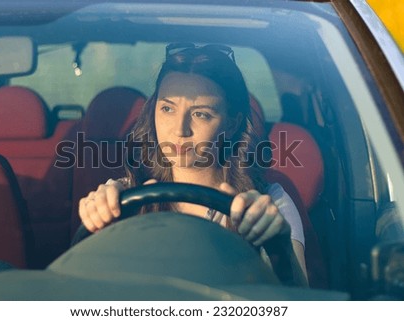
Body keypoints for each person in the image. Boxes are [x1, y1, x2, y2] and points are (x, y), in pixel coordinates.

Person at [78, 43, 308, 286]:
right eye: (167, 108)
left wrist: (278, 245)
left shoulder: (267, 203)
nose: (179, 130)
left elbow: (300, 302)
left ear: (231, 123)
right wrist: (101, 221)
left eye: (201, 114)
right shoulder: (126, 195)